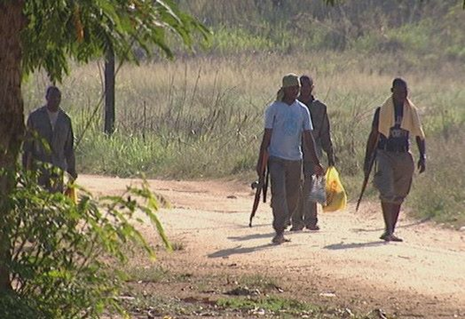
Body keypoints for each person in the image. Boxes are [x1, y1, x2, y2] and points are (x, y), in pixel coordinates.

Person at [256, 74, 324, 245]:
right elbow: (267, 137)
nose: (295, 91)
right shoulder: (274, 109)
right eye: (292, 88)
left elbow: (308, 138)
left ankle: (284, 218)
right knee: (279, 193)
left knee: (293, 196)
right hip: (276, 158)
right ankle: (279, 230)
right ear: (285, 89)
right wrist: (261, 161)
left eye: (297, 88)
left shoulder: (303, 110)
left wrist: (316, 162)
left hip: (296, 160)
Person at [363, 78, 426, 242]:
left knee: (400, 193)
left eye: (405, 92)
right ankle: (387, 228)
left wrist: (422, 156)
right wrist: (368, 159)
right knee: (386, 191)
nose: (402, 95)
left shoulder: (411, 110)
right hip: (385, 154)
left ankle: (392, 228)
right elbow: (374, 135)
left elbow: (419, 134)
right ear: (392, 91)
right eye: (399, 92)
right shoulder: (382, 111)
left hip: (403, 154)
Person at [291, 75, 335, 231]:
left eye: (307, 85)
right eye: (301, 86)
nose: (304, 89)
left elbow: (325, 132)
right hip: (294, 151)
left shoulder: (320, 108)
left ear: (312, 87)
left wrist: (330, 153)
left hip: (313, 152)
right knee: (296, 186)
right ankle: (296, 221)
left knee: (313, 187)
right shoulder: (292, 106)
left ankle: (311, 220)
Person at [23, 86, 77, 192]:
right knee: (38, 201)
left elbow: (69, 148)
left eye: (58, 98)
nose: (55, 100)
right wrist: (26, 171)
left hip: (57, 169)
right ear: (47, 97)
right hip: (39, 170)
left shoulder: (65, 120)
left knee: (55, 202)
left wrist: (72, 170)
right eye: (52, 97)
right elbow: (27, 147)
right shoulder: (35, 117)